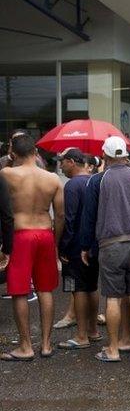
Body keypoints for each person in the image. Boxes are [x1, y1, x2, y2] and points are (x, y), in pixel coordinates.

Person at [80, 136, 130, 363]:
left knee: (113, 299)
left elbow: (89, 216)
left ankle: (112, 349)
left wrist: (86, 246)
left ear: (106, 155)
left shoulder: (97, 181)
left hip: (110, 245)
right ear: (125, 155)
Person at [0, 134, 63, 361]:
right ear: (36, 153)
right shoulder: (53, 178)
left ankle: (26, 346)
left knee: (19, 290)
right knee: (45, 289)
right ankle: (46, 344)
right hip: (45, 233)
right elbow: (61, 215)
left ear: (13, 152)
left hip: (20, 234)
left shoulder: (7, 174)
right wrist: (56, 242)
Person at [55, 148, 101, 350]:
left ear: (72, 162)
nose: (60, 166)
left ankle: (81, 335)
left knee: (77, 289)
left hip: (75, 247)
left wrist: (62, 247)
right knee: (91, 286)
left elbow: (69, 218)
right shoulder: (95, 181)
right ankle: (93, 330)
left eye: (62, 162)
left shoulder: (72, 185)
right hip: (94, 244)